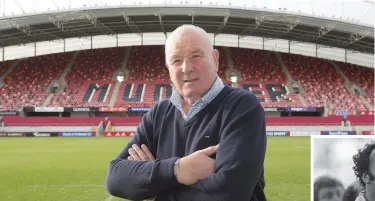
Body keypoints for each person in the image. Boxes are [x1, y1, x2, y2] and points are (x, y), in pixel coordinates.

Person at [105, 24, 267, 201]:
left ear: (215, 59)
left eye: (196, 56)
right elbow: (115, 178)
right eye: (176, 61)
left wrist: (155, 186)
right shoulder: (157, 114)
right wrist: (177, 169)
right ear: (168, 68)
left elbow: (229, 193)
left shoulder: (242, 106)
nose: (186, 68)